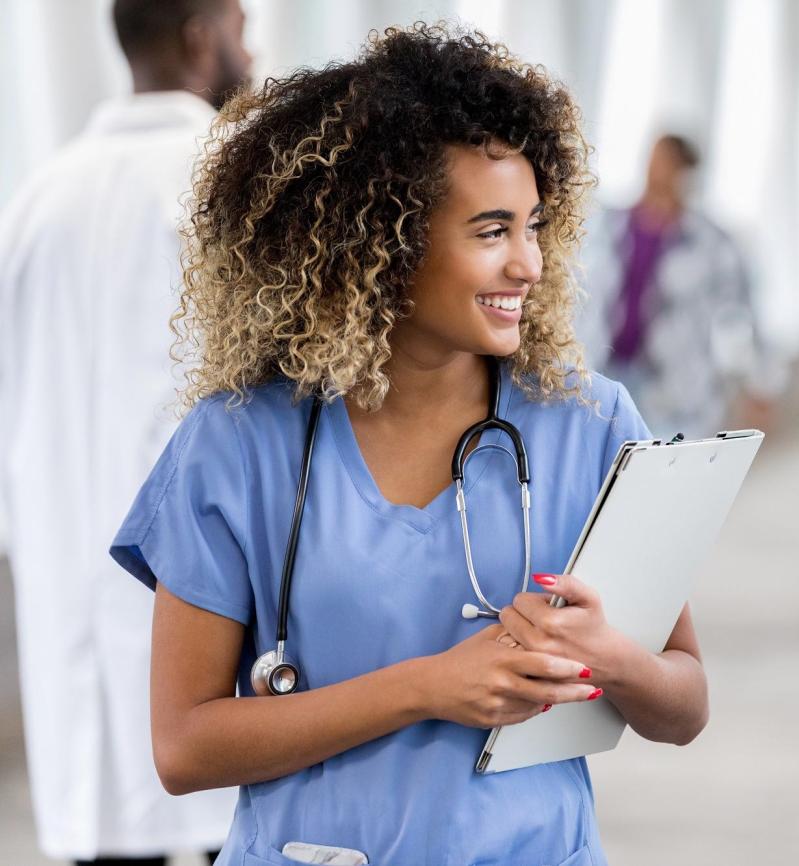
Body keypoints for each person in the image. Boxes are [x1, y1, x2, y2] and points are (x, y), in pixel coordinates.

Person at [108, 24, 708, 866]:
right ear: (382, 243)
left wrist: (614, 659)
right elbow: (182, 747)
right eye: (492, 230)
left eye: (535, 226)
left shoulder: (591, 423)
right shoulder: (239, 443)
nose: (529, 263)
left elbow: (684, 704)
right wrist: (428, 687)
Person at [0, 1, 250, 862]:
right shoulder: (228, 179)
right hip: (210, 585)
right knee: (230, 822)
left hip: (67, 573)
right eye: (239, 26)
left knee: (105, 823)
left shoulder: (39, 198)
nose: (246, 50)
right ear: (198, 35)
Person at [579, 134, 783, 438]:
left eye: (665, 162)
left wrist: (763, 382)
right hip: (607, 376)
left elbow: (748, 308)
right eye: (652, 159)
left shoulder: (710, 242)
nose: (654, 169)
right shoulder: (610, 226)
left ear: (683, 173)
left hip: (676, 394)